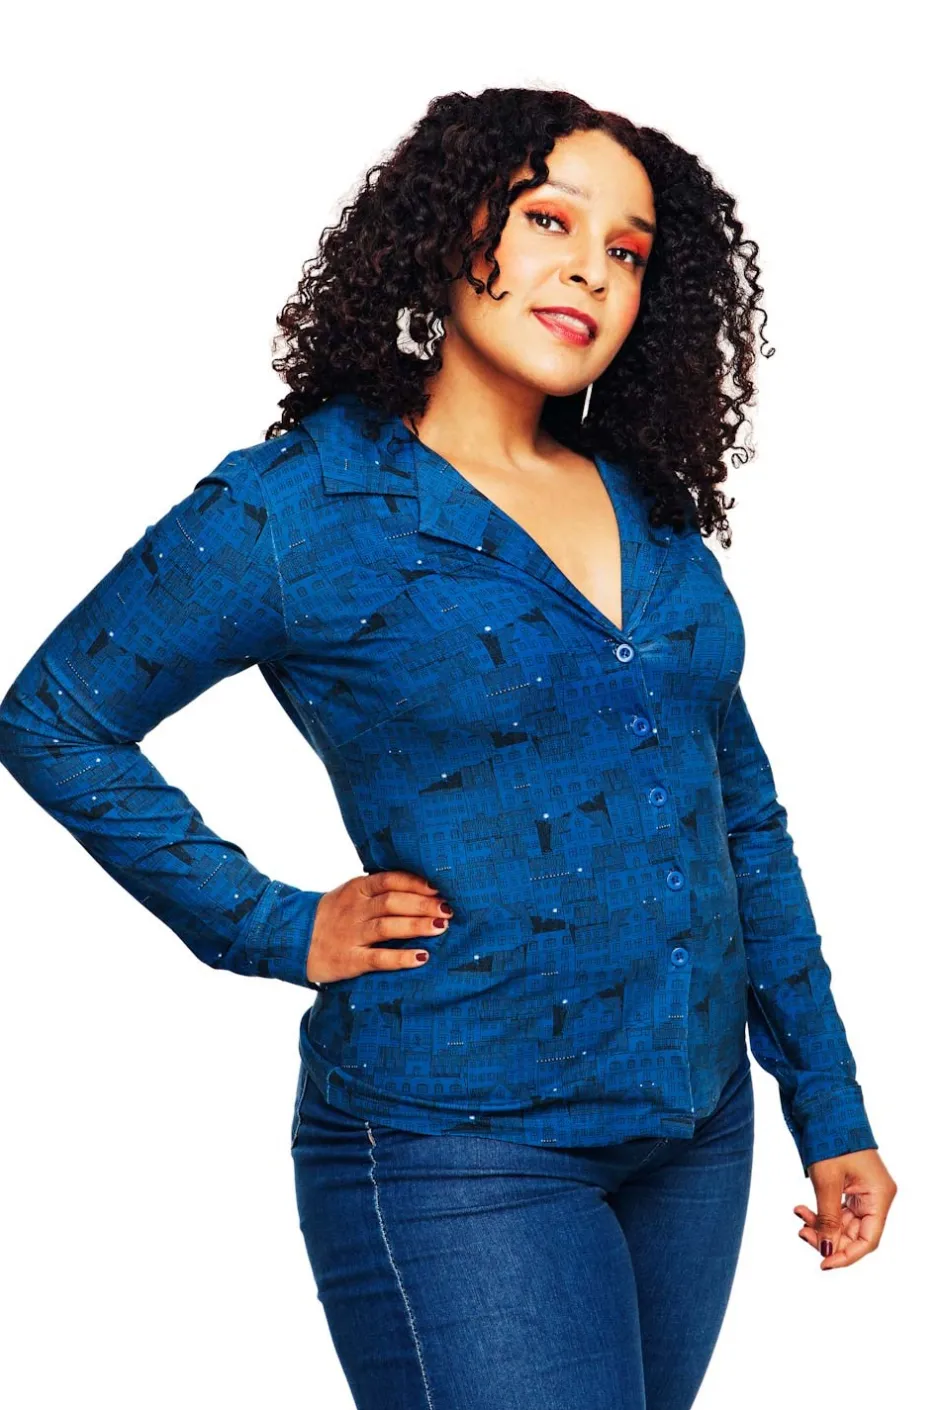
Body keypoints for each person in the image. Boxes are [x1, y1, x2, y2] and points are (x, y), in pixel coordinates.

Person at [0, 86, 896, 1409]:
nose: (591, 268)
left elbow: (740, 819)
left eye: (629, 250)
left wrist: (829, 1103)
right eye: (550, 220)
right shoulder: (305, 504)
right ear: (451, 229)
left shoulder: (648, 513)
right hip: (458, 1145)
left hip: (695, 1132)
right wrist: (271, 923)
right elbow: (56, 716)